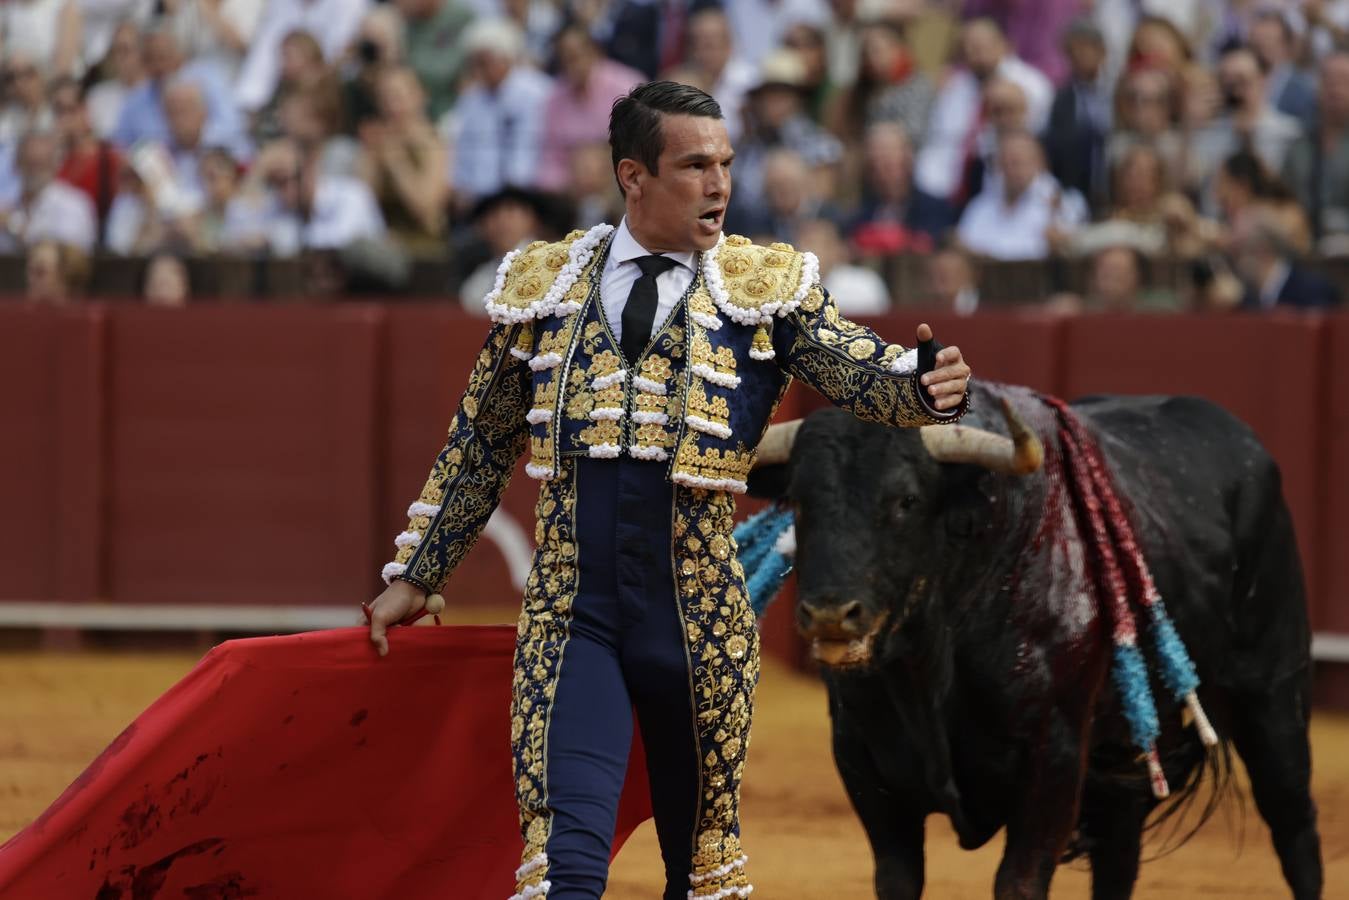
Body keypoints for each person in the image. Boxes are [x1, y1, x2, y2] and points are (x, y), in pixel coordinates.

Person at [362, 80, 972, 900]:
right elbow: (481, 441)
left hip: (699, 622)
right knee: (561, 871)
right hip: (573, 615)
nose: (718, 182)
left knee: (702, 872)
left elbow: (857, 369)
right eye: (693, 164)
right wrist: (416, 575)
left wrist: (925, 388)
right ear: (632, 175)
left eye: (724, 162)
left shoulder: (763, 286)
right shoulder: (545, 285)